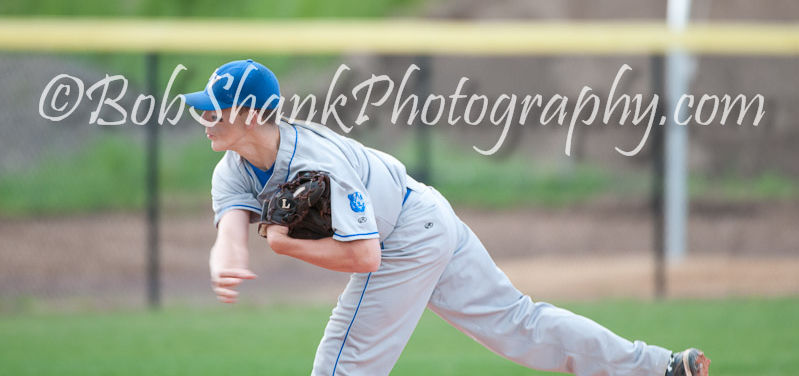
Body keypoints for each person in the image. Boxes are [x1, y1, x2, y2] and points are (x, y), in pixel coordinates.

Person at [182, 59, 710, 376]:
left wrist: (287, 244)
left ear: (250, 115)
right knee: (518, 324)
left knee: (341, 366)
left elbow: (367, 257)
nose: (203, 118)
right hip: (426, 214)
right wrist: (225, 263)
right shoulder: (233, 167)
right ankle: (659, 367)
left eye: (213, 110)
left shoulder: (319, 164)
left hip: (404, 238)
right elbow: (231, 233)